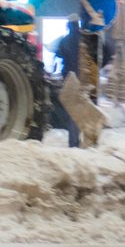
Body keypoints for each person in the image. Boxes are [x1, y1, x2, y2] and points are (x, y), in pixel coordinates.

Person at [52, 14, 82, 148]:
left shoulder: (65, 40)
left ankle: (73, 141)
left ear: (69, 26)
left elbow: (58, 56)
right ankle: (87, 138)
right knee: (85, 108)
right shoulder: (85, 40)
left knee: (72, 110)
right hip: (85, 79)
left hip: (69, 78)